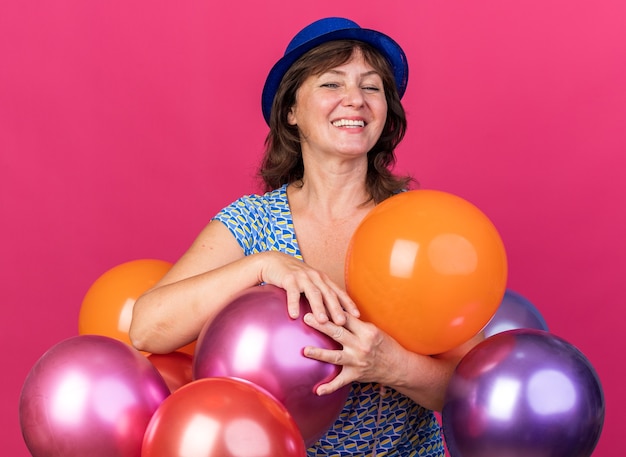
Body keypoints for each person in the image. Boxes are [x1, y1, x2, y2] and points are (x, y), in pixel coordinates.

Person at [130, 17, 482, 456]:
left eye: (372, 87)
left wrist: (394, 365)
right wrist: (261, 265)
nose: (355, 99)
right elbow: (146, 329)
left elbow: (474, 387)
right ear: (291, 111)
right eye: (332, 84)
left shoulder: (421, 225)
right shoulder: (252, 223)